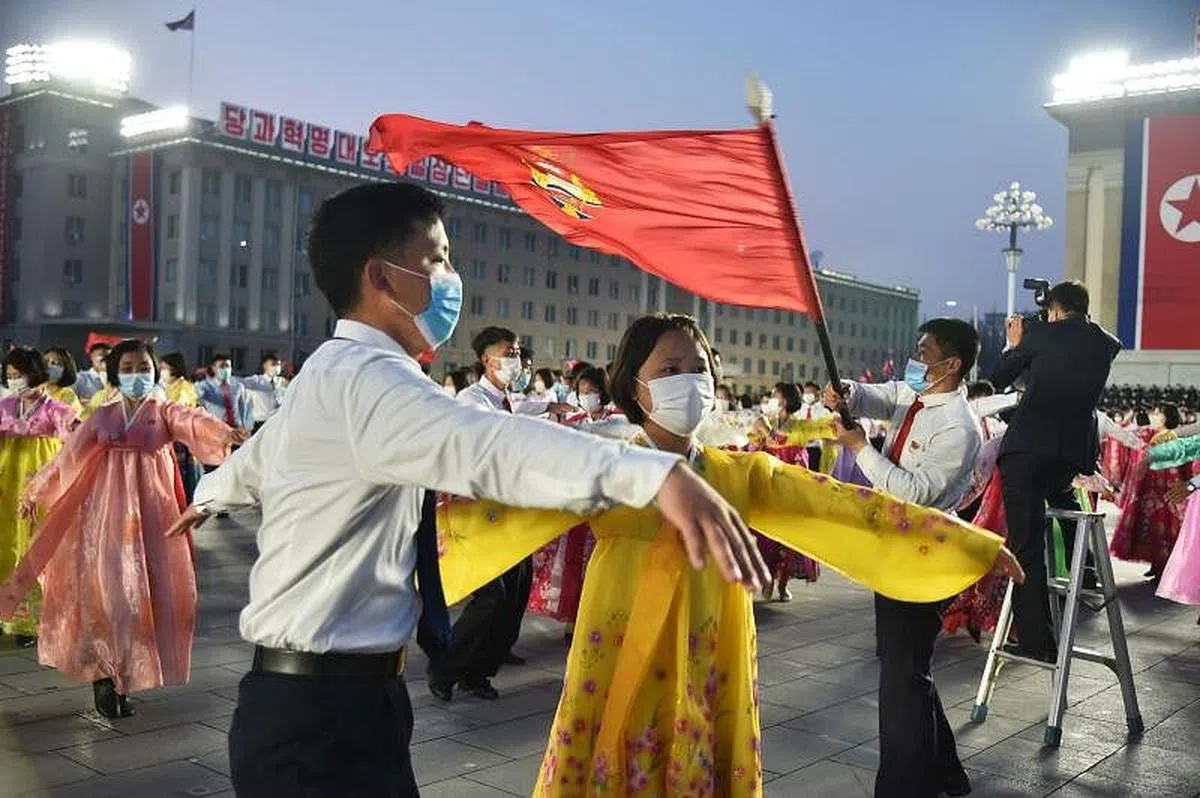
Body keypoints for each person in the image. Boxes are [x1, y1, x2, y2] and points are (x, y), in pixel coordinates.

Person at [163, 182, 770, 797]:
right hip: (320, 720)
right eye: (437, 259)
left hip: (328, 702)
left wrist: (209, 493)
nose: (452, 278)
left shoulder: (332, 368)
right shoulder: (369, 381)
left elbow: (265, 453)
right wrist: (654, 474)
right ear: (381, 276)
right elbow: (485, 445)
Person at [441, 313, 1021, 797]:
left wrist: (965, 544)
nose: (688, 381)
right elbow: (501, 507)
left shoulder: (740, 475)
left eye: (698, 368)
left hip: (709, 644)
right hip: (618, 639)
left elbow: (847, 507)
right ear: (634, 387)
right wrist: (414, 552)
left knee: (700, 741)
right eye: (669, 370)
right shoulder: (606, 465)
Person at [0, 339, 242, 718]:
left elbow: (192, 420)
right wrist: (36, 491)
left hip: (153, 516)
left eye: (143, 368)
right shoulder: (102, 417)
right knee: (110, 593)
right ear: (114, 374)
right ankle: (104, 670)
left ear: (154, 371)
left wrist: (223, 433)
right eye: (127, 369)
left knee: (145, 595)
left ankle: (126, 675)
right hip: (105, 518)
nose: (136, 375)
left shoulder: (163, 412)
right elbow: (69, 457)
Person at [824, 316, 985, 798]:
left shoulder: (958, 427)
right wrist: (849, 392)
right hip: (893, 546)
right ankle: (945, 772)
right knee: (906, 666)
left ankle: (904, 787)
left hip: (923, 553)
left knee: (902, 675)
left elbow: (914, 494)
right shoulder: (914, 395)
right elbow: (879, 395)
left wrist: (860, 449)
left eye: (924, 353)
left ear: (952, 365)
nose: (915, 361)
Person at [990, 280, 1121, 661]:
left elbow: (998, 378)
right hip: (1071, 456)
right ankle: (1087, 571)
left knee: (1026, 546)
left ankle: (1036, 640)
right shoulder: (1106, 343)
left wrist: (1014, 344)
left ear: (1056, 310)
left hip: (1027, 450)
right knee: (1060, 501)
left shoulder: (1040, 335)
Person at [0, 348, 78, 644]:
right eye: (9, 376)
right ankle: (4, 614)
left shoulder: (58, 411)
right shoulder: (4, 407)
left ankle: (30, 623)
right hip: (6, 488)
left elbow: (74, 448)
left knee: (35, 551)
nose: (14, 381)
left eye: (19, 375)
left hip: (41, 489)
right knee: (4, 547)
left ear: (34, 374)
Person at [1111, 403, 1194, 579]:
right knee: (1161, 528)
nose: (1153, 417)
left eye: (1157, 414)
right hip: (1163, 486)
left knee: (1159, 527)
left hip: (1160, 488)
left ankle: (1161, 567)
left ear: (1164, 417)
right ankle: (1158, 565)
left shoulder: (1163, 437)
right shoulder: (1167, 435)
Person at [196, 354, 253, 470]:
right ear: (213, 368)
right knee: (214, 469)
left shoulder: (237, 386)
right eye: (222, 366)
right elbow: (198, 405)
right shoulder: (204, 386)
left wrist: (246, 427)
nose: (226, 369)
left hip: (236, 432)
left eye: (228, 366)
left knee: (237, 469)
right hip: (216, 433)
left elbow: (245, 407)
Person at [242, 354, 289, 433]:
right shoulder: (256, 380)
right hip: (260, 422)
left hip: (277, 423)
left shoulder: (282, 381)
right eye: (273, 364)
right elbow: (242, 383)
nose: (276, 367)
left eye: (278, 364)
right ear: (265, 366)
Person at [42, 346, 83, 417]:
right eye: (46, 361)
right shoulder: (30, 390)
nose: (49, 365)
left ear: (65, 370)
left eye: (56, 363)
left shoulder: (69, 396)